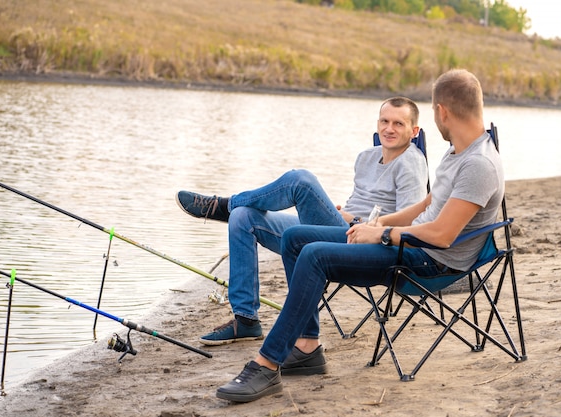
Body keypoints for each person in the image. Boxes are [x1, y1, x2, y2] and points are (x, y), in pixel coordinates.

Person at [215, 68, 504, 403]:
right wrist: (375, 226)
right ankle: (307, 346)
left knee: (314, 254)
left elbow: (441, 235)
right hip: (409, 243)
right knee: (295, 238)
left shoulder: (478, 164)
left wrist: (383, 237)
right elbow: (428, 203)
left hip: (427, 261)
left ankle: (266, 364)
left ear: (442, 111)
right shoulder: (459, 151)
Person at [175, 97, 428, 346]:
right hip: (342, 230)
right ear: (377, 123)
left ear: (413, 131)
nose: (389, 128)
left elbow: (408, 224)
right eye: (385, 121)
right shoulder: (366, 157)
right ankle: (245, 320)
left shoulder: (411, 163)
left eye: (398, 124)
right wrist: (343, 213)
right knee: (243, 218)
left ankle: (222, 205)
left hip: (365, 244)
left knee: (301, 181)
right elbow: (361, 202)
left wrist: (355, 219)